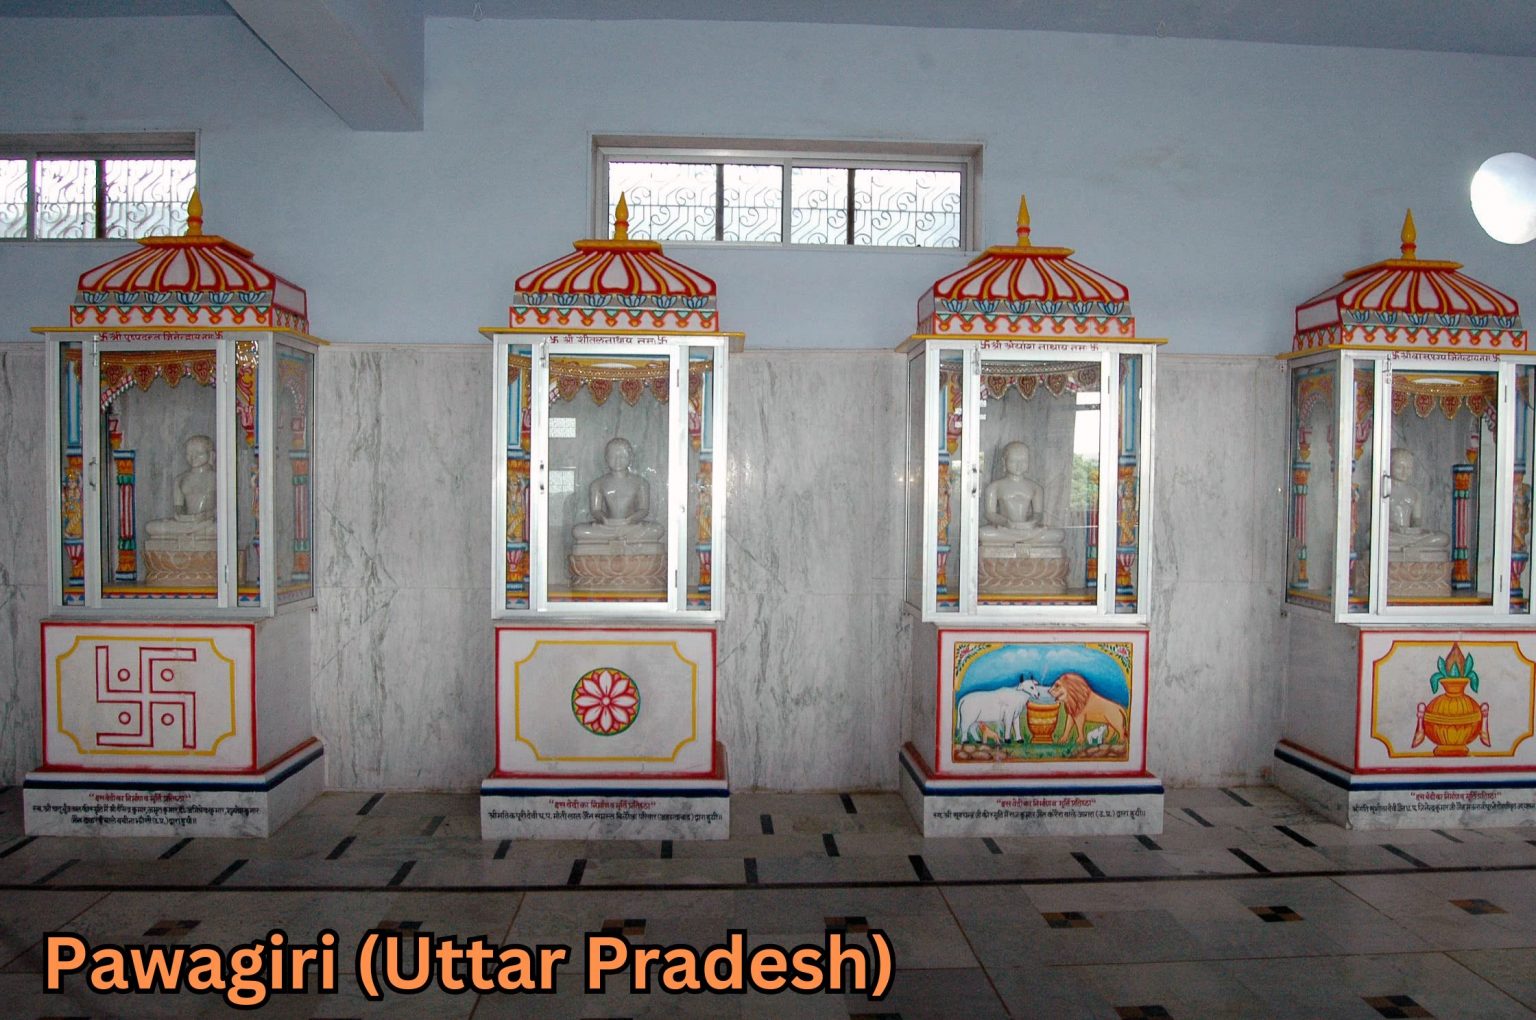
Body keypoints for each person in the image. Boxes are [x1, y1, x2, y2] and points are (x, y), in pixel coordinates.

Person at [572, 437, 665, 543]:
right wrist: (604, 519)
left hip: (631, 527)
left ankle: (618, 535)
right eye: (613, 456)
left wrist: (630, 520)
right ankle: (617, 535)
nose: (617, 460)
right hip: (607, 527)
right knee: (578, 531)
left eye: (622, 456)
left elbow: (643, 509)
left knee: (657, 530)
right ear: (606, 458)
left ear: (630, 457)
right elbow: (596, 510)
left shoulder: (641, 483)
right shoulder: (597, 484)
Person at [979, 441, 1064, 550]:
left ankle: (1022, 538)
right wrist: (1006, 522)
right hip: (1005, 530)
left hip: (1028, 529)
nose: (1019, 465)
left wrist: (1032, 522)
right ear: (1004, 462)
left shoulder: (1035, 488)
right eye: (1013, 461)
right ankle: (1024, 539)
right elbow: (990, 514)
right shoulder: (994, 487)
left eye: (1023, 461)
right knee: (983, 533)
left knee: (1058, 534)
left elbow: (1038, 513)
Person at [145, 434, 217, 539]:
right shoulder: (180, 479)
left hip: (208, 521)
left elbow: (224, 508)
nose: (193, 457)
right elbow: (178, 507)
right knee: (150, 527)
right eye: (189, 453)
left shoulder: (217, 478)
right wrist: (182, 516)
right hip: (186, 523)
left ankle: (191, 530)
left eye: (199, 453)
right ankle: (191, 530)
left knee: (218, 528)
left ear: (211, 455)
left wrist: (206, 515)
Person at [1386, 446, 1449, 560]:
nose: (1404, 472)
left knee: (1443, 538)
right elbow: (1374, 521)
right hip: (1391, 534)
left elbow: (1416, 520)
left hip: (1409, 536)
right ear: (1389, 466)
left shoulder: (1415, 493)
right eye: (1399, 467)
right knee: (1372, 537)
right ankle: (1412, 544)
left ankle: (1414, 545)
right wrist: (1393, 527)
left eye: (1408, 468)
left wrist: (1414, 530)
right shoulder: (1381, 491)